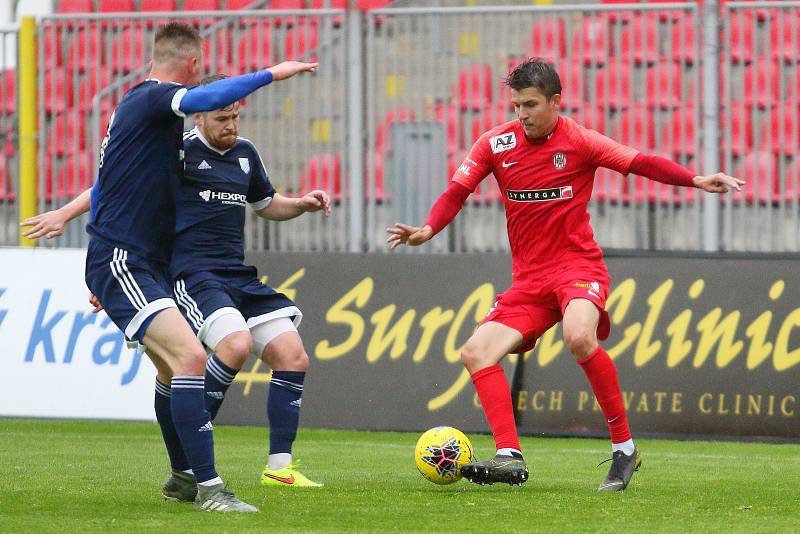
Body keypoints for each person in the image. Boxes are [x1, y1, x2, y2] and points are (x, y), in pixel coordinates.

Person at [386, 58, 744, 492]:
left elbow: (639, 162)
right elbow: (456, 192)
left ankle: (625, 448)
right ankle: (509, 456)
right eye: (517, 105)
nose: (522, 114)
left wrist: (696, 180)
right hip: (529, 282)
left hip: (577, 268)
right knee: (475, 353)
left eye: (531, 104)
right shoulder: (494, 144)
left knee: (578, 337)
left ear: (556, 101)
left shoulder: (580, 141)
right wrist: (427, 228)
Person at [38, 21, 316, 513]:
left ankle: (186, 478)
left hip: (139, 262)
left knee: (173, 369)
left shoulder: (153, 126)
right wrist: (274, 72)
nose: (228, 119)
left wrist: (69, 220)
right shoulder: (151, 100)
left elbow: (114, 180)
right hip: (127, 258)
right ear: (191, 67)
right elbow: (200, 100)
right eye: (202, 73)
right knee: (193, 357)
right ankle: (210, 489)